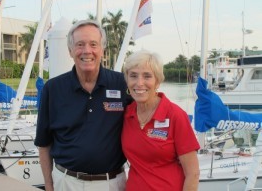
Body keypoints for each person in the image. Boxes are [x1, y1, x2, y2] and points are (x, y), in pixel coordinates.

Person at [35, 19, 131, 191]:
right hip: (66, 183)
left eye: (93, 44)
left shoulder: (121, 84)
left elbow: (147, 114)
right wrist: (49, 186)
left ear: (102, 49)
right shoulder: (53, 88)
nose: (87, 51)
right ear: (70, 51)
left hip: (112, 184)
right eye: (80, 44)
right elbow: (44, 143)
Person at [121, 50, 200, 191]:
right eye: (133, 76)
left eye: (147, 76)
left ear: (157, 81)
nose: (139, 83)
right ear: (127, 80)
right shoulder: (127, 114)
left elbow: (193, 173)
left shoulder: (175, 115)